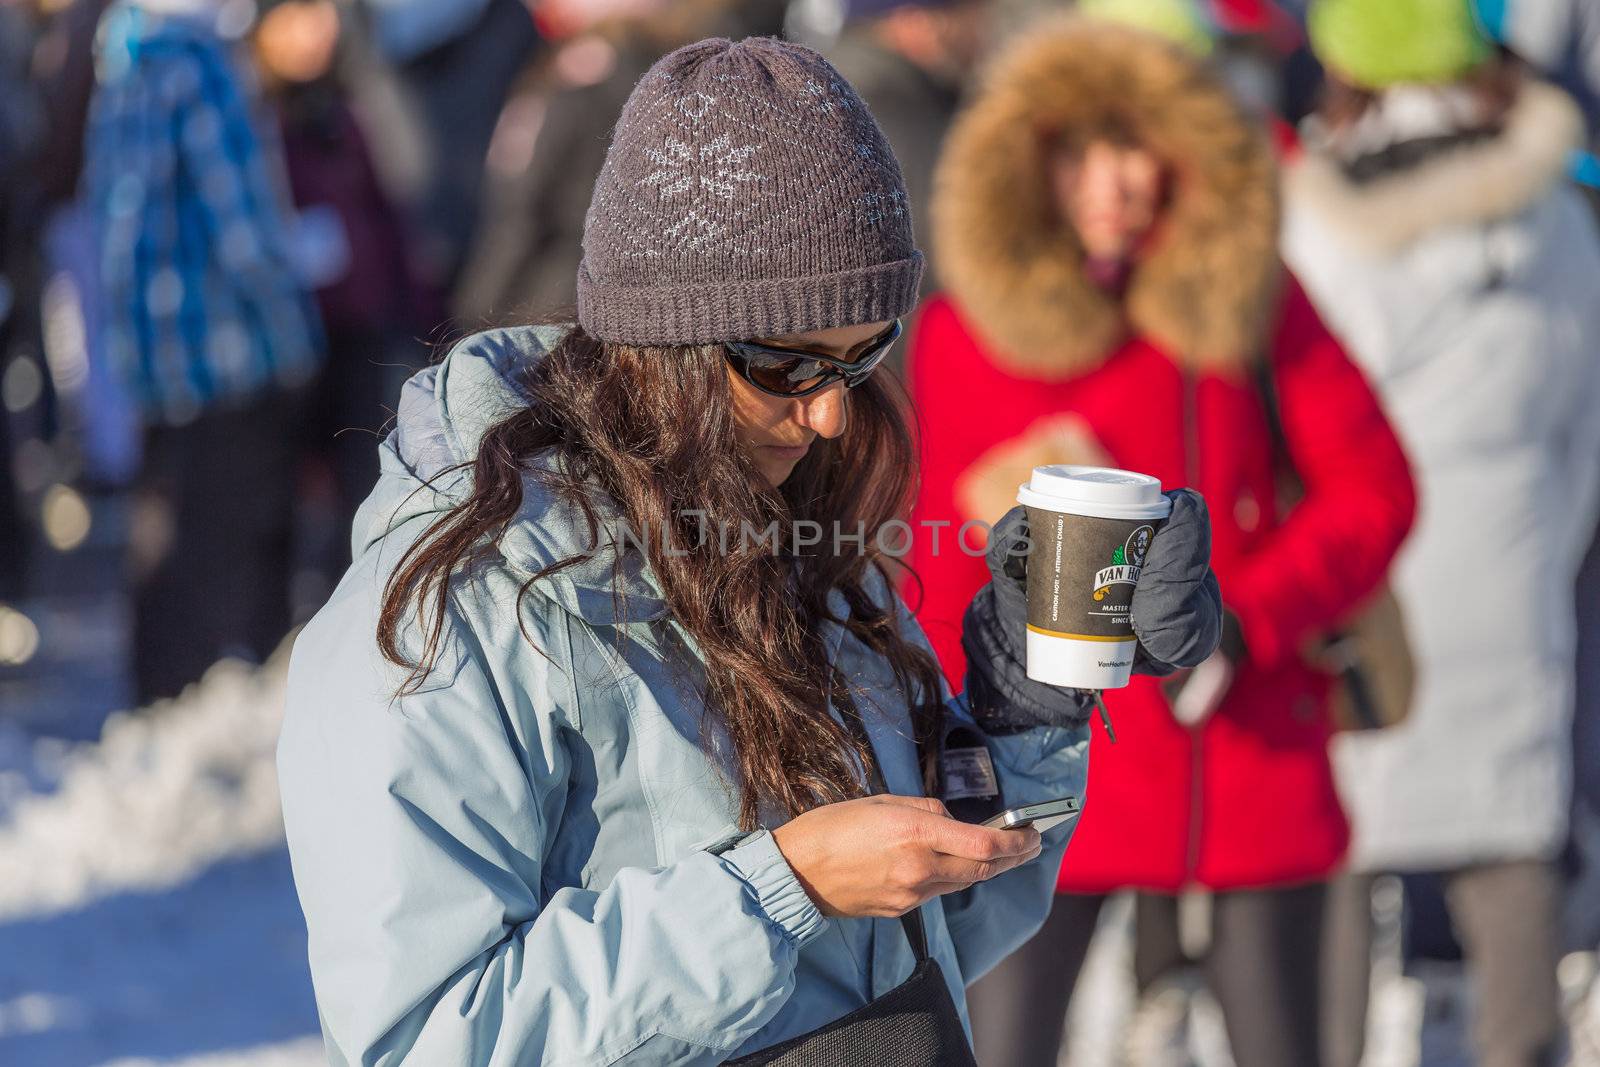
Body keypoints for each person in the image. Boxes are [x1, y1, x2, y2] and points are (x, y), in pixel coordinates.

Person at [276, 36, 1222, 1063]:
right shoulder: (446, 609)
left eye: (862, 355)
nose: (826, 415)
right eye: (785, 363)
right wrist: (782, 886)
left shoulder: (789, 535)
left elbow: (926, 939)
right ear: (662, 337)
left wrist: (1029, 690)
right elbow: (424, 1039)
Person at [905, 17, 1416, 1066]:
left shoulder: (1253, 309)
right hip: (1040, 775)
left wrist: (1244, 616)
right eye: (1083, 147)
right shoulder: (963, 334)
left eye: (1141, 144)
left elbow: (1373, 489)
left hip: (1244, 756)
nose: (1116, 180)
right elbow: (929, 564)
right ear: (1027, 159)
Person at [1282, 1, 1600, 1064]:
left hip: (1363, 570)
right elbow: (1585, 423)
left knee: (1335, 837)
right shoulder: (1555, 209)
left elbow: (1291, 415)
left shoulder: (1313, 221)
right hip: (1513, 555)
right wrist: (1546, 547)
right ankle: (1523, 1047)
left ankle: (1319, 1044)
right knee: (1512, 843)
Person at [83, 0, 325, 701]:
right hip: (228, 357)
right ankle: (231, 712)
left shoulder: (125, 60)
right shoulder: (202, 67)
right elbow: (247, 231)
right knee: (233, 558)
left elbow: (116, 225)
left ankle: (159, 707)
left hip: (157, 362)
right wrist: (297, 336)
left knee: (165, 550)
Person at [826, 0, 991, 301]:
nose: (980, 37)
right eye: (970, 17)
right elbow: (950, 254)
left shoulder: (836, 98)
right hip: (908, 338)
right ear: (917, 22)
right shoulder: (901, 116)